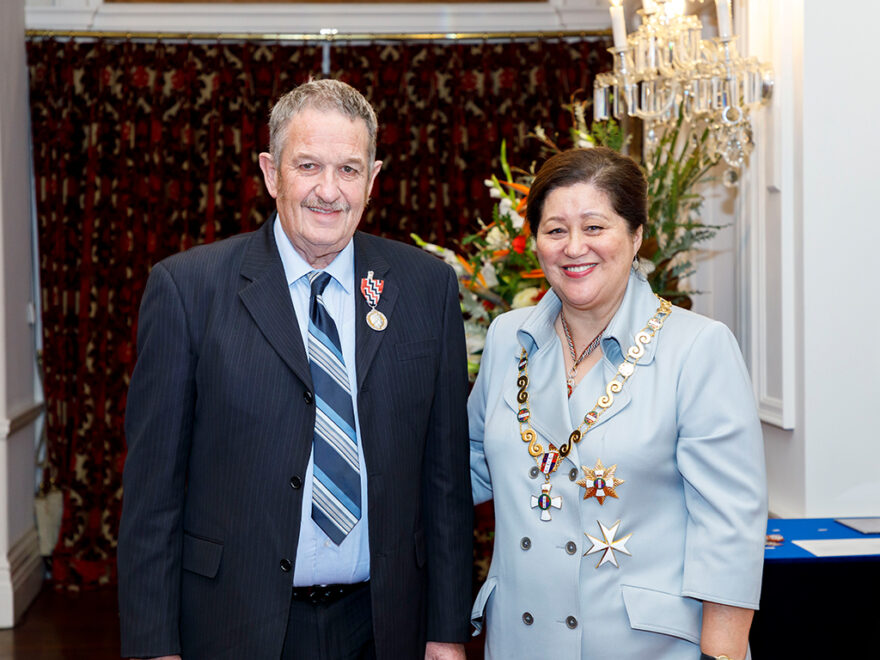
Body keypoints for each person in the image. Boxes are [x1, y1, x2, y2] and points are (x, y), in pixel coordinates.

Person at [118, 79, 473, 660]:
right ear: (270, 172)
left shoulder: (425, 287)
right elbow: (153, 496)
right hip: (235, 625)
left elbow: (446, 483)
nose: (328, 191)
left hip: (385, 625)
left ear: (374, 178)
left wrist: (448, 632)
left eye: (349, 170)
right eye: (308, 165)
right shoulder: (188, 289)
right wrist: (155, 647)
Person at [468, 147, 766, 659]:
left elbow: (729, 528)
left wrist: (725, 653)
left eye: (595, 227)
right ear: (535, 242)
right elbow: (462, 471)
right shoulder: (506, 338)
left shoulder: (697, 347)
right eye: (555, 230)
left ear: (636, 237)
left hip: (642, 647)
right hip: (520, 641)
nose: (573, 247)